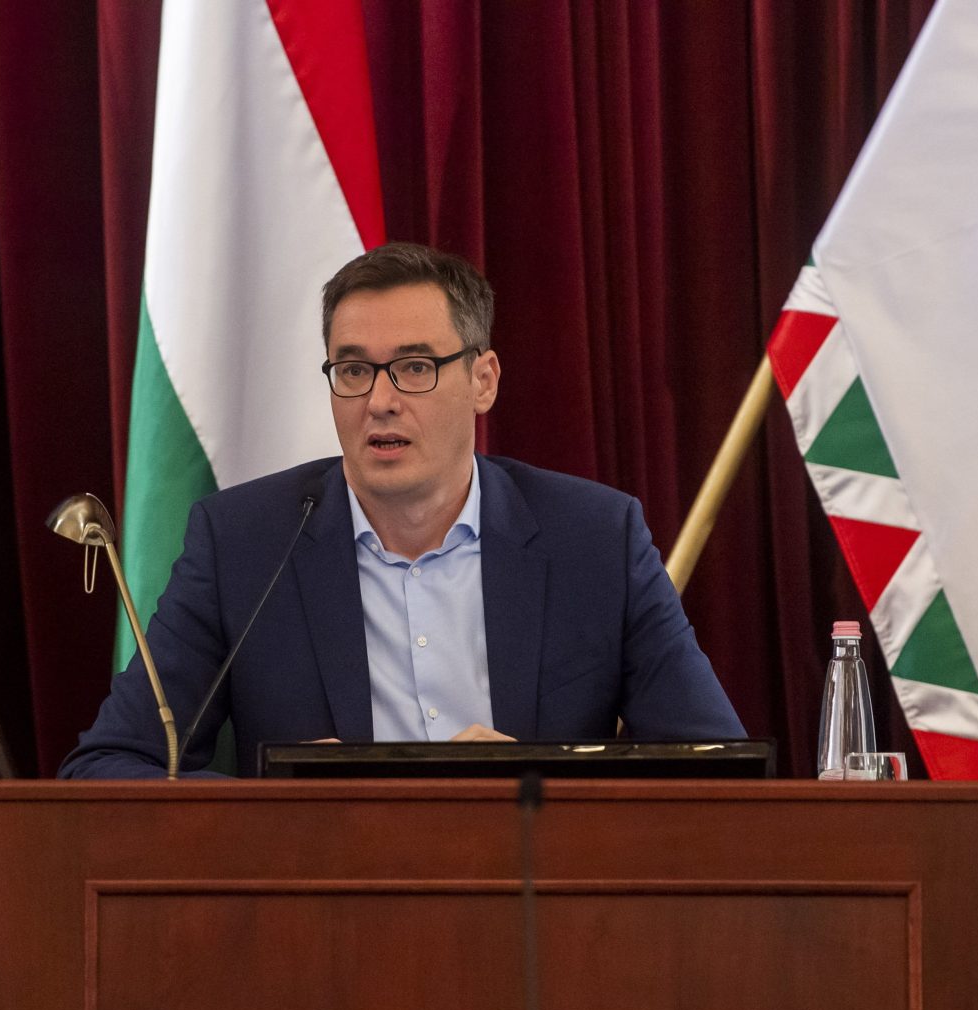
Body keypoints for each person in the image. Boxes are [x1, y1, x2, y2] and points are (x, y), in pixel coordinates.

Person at [60, 243, 742, 778]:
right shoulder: (243, 545)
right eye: (353, 370)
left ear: (482, 380)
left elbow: (717, 770)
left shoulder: (594, 540)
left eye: (415, 367)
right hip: (328, 903)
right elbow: (109, 766)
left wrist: (540, 782)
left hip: (532, 902)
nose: (380, 401)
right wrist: (279, 807)